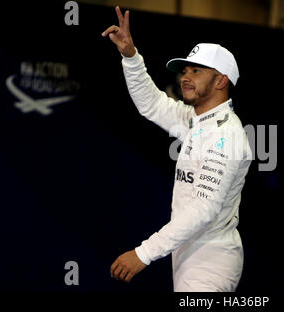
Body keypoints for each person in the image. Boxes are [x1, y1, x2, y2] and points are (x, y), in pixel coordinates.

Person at [102, 6, 252, 292]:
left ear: (221, 80)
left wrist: (143, 254)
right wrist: (130, 57)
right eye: (185, 70)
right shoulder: (197, 121)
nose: (185, 76)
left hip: (210, 262)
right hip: (188, 253)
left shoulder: (227, 135)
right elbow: (153, 104)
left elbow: (204, 209)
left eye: (196, 70)